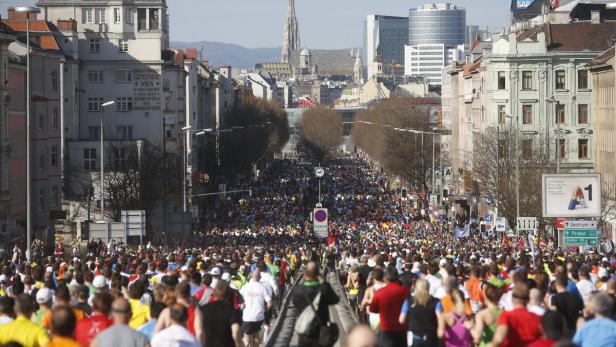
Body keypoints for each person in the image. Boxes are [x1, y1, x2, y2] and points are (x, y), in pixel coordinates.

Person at [292, 261, 340, 347]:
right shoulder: (323, 289)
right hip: (321, 334)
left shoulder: (298, 290)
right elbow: (335, 300)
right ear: (318, 273)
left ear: (304, 272)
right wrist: (323, 282)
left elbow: (295, 303)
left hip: (304, 332)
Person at [488, 282, 542, 347]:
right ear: (528, 300)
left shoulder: (506, 316)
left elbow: (499, 338)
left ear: (512, 300)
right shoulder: (538, 318)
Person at [369, 269, 408, 347]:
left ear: (385, 279)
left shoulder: (380, 292)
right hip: (402, 328)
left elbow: (372, 309)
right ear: (398, 278)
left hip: (386, 328)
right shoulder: (405, 291)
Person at [200, 281, 242, 347]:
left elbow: (199, 331)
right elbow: (236, 331)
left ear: (215, 293)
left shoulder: (203, 309)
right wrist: (238, 345)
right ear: (229, 294)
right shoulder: (232, 311)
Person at [399, 278, 438, 347]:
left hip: (415, 336)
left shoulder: (408, 302)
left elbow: (401, 320)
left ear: (415, 288)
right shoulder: (436, 302)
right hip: (431, 336)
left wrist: (411, 322)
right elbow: (440, 319)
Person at [240, 269, 272, 347]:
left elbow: (239, 298)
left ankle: (247, 343)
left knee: (247, 338)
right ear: (259, 277)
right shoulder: (262, 288)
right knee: (256, 338)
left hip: (247, 317)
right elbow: (269, 303)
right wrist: (266, 311)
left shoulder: (245, 287)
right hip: (259, 317)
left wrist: (242, 306)